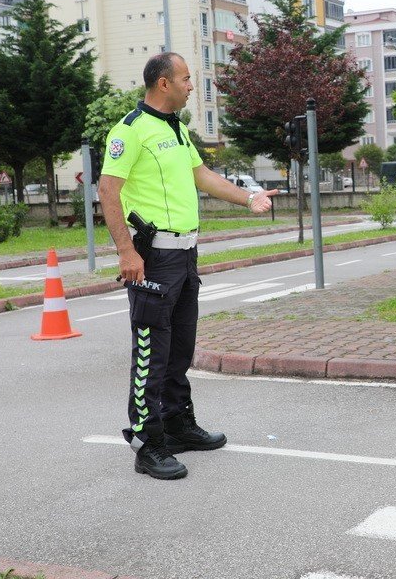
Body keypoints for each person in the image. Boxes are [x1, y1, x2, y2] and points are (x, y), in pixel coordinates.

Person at [98, 52, 278, 480]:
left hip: (185, 254)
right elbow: (108, 190)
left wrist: (248, 197)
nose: (191, 86)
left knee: (180, 348)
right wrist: (127, 252)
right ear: (164, 83)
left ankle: (178, 425)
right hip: (153, 257)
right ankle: (148, 445)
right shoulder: (130, 131)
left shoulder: (176, 129)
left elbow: (204, 177)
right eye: (185, 79)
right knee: (151, 353)